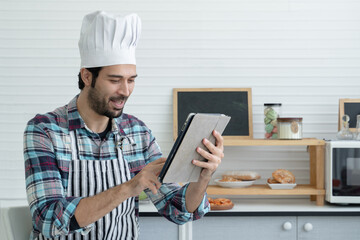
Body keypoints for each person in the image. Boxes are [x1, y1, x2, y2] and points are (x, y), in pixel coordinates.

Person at [24, 11, 224, 240]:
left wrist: (203, 177)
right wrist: (129, 187)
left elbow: (177, 209)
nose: (125, 91)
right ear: (87, 77)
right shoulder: (45, 131)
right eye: (114, 80)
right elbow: (47, 219)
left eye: (131, 80)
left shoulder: (137, 133)